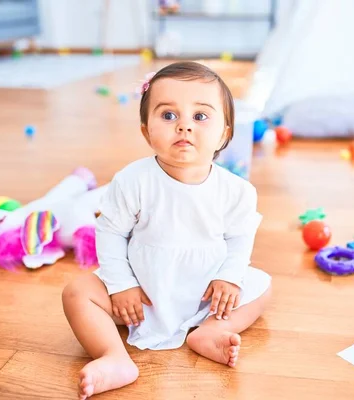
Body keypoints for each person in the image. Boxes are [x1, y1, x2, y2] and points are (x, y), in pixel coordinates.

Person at [62, 61, 272, 399]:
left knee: (260, 287)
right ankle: (113, 356)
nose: (184, 127)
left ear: (225, 133)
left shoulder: (237, 191)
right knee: (76, 293)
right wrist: (121, 285)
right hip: (142, 295)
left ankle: (210, 330)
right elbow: (111, 232)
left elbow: (239, 239)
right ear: (146, 130)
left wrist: (229, 277)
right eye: (169, 116)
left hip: (207, 293)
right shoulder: (133, 180)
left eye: (200, 117)